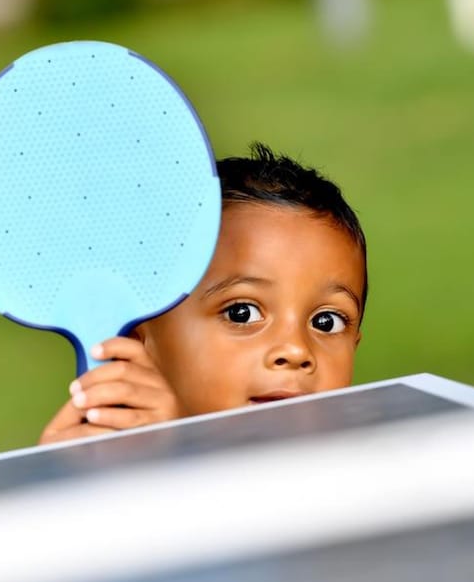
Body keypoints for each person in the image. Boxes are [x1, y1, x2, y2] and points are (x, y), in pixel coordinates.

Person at [39, 143, 368, 444]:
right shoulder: (112, 474)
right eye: (242, 313)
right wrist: (71, 481)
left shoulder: (373, 474)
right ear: (138, 339)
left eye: (327, 322)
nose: (296, 350)